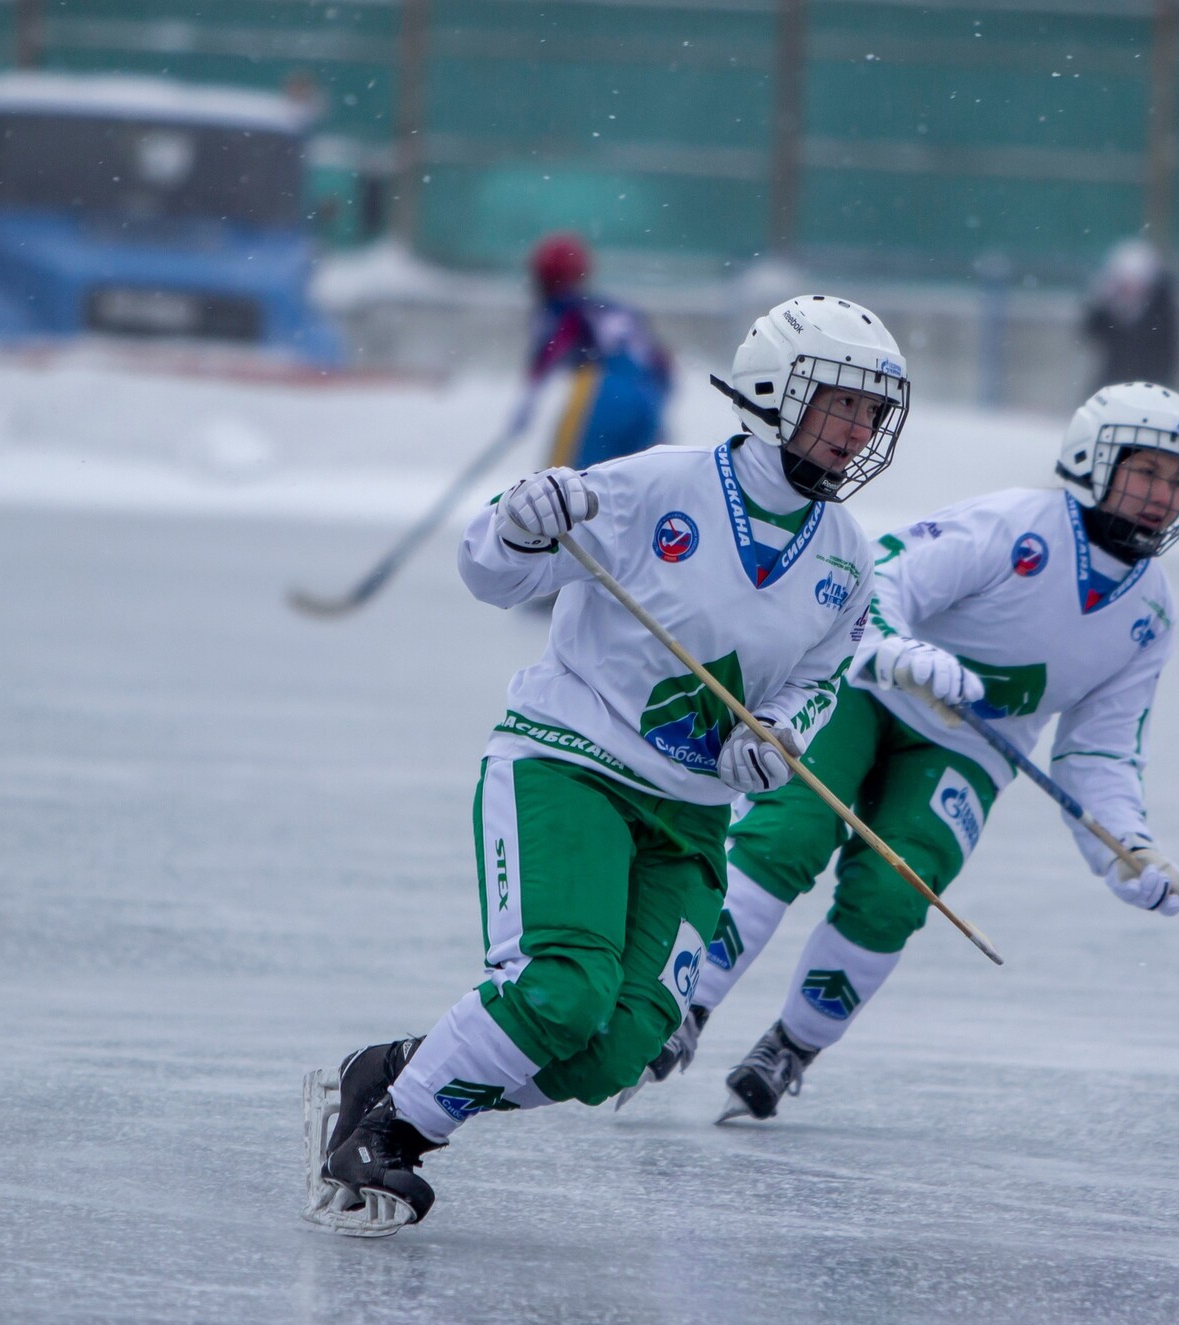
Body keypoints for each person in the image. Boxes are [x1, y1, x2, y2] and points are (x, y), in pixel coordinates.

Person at [302, 295, 911, 1236]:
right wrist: (518, 521)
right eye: (839, 402)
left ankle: (392, 1074)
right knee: (560, 990)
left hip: (691, 820)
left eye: (872, 412)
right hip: (571, 764)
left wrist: (777, 739)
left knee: (616, 1049)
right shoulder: (661, 484)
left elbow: (821, 681)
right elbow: (491, 576)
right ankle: (392, 1134)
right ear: (768, 392)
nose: (858, 430)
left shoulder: (847, 561)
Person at [625, 381, 1179, 1123]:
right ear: (1095, 461)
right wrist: (898, 653)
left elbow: (1099, 752)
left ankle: (791, 1047)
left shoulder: (1151, 615)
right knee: (785, 837)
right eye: (1148, 471)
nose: (1163, 494)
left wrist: (1126, 846)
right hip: (868, 692)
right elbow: (876, 584)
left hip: (970, 750)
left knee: (895, 891)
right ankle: (686, 1006)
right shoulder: (1013, 526)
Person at [516, 231, 675, 470]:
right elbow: (663, 365)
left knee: (565, 484)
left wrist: (526, 405)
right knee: (638, 485)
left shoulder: (562, 309)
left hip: (600, 391)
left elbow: (548, 353)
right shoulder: (618, 309)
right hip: (648, 395)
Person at [1081, 238, 1179, 391]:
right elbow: (1091, 334)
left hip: (1150, 384)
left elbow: (1166, 355)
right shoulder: (1110, 310)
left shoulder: (1160, 314)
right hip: (1115, 382)